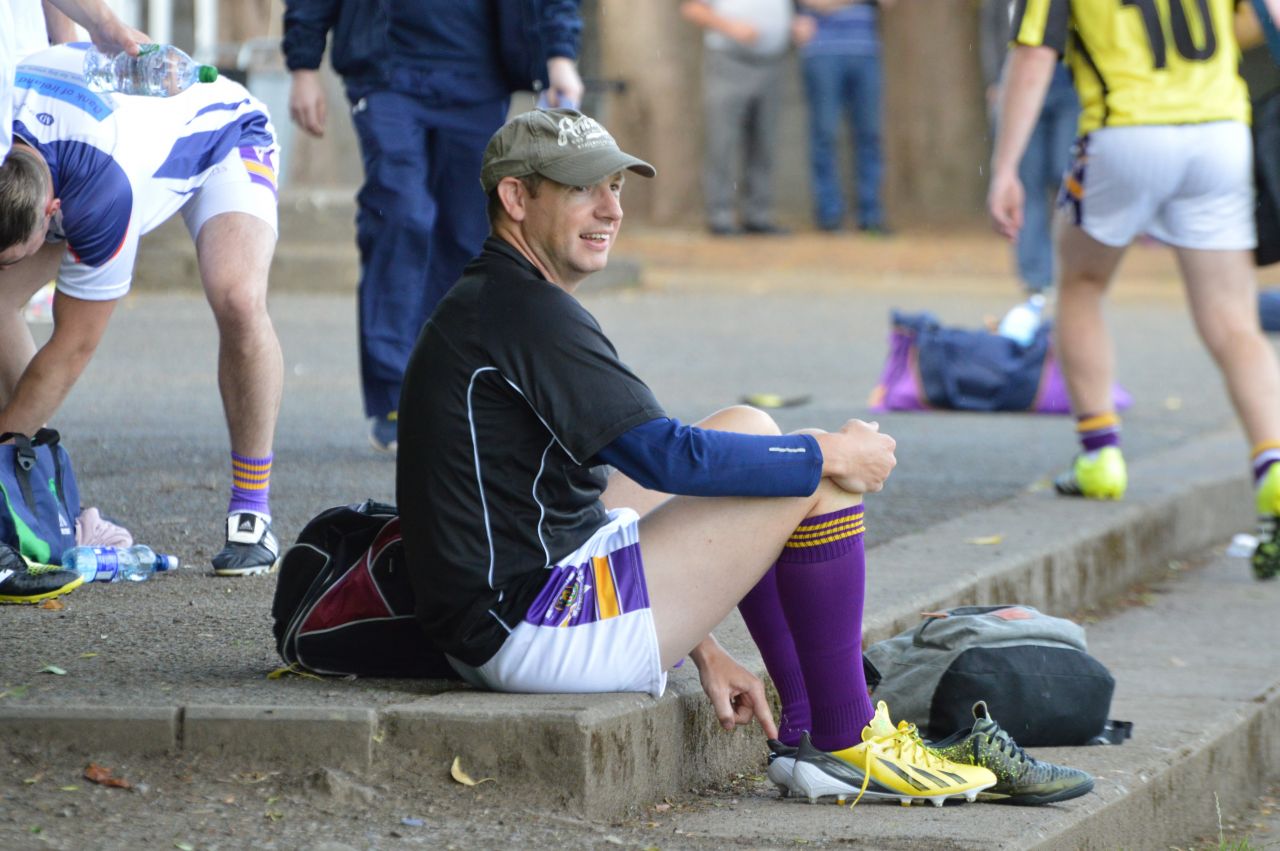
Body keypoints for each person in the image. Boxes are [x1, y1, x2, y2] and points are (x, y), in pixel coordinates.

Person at [395, 107, 1007, 805]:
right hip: (528, 625)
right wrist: (831, 450)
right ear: (515, 198)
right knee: (813, 475)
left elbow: (597, 495)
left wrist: (703, 645)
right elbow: (667, 459)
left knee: (749, 426)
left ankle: (803, 729)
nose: (609, 208)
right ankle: (843, 738)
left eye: (618, 188)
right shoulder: (526, 313)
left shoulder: (502, 297)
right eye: (581, 189)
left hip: (502, 604)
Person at [989, 0, 1280, 581]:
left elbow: (1032, 54)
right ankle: (1273, 463)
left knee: (1082, 282)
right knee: (1234, 320)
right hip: (1221, 132)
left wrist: (1004, 166)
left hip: (1125, 131)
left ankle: (1100, 455)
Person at [0, 43, 284, 578]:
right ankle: (43, 496)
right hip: (78, 142)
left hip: (222, 136)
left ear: (52, 214)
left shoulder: (103, 192)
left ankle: (252, 513)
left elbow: (73, 347)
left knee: (237, 297)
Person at [354, 1, 584, 454]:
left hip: (478, 75)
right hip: (386, 70)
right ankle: (392, 394)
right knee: (400, 214)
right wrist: (302, 65)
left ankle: (444, 387)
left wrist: (559, 54)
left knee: (468, 233)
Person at [0, 1, 141, 604]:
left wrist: (90, 29)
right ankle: (33, 497)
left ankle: (34, 497)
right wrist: (100, 26)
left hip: (21, 108)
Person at [979, 0, 1079, 298]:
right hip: (1020, 89)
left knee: (1069, 179)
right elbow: (993, 33)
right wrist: (996, 80)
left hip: (1072, 89)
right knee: (1025, 182)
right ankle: (1035, 275)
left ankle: (1072, 272)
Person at [681, 0, 797, 236]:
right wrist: (731, 28)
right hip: (729, 61)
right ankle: (720, 215)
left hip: (772, 62)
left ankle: (758, 215)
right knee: (722, 140)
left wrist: (793, 25)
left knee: (765, 139)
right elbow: (692, 8)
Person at [794, 0, 894, 235]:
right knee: (825, 135)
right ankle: (829, 216)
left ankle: (871, 215)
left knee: (870, 136)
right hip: (822, 52)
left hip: (866, 51)